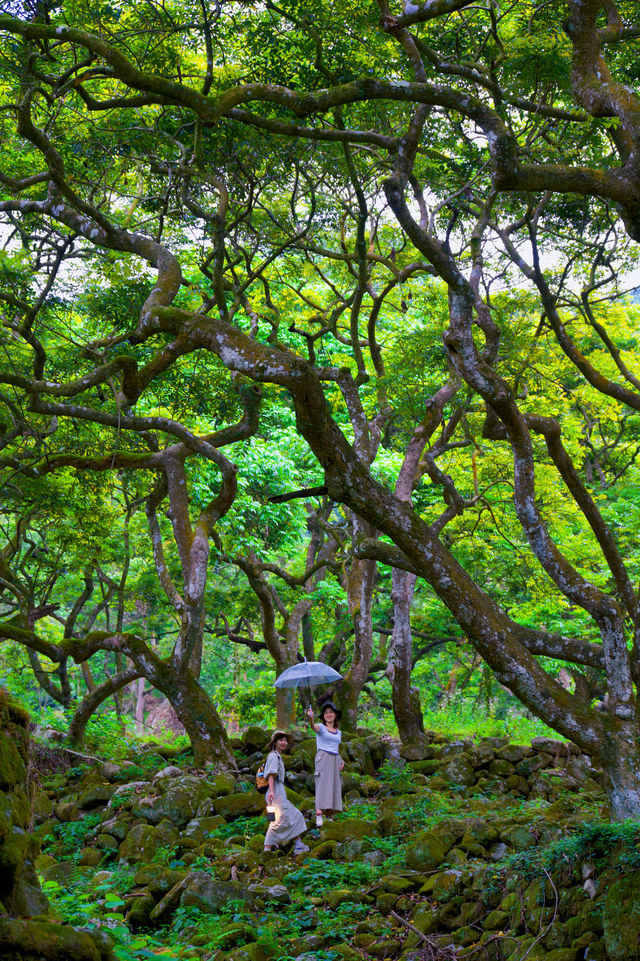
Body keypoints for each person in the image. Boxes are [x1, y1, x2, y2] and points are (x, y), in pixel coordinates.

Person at [263, 730, 309, 854]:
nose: (284, 743)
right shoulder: (273, 756)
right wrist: (272, 791)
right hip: (275, 790)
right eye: (281, 740)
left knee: (296, 815)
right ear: (275, 742)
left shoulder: (278, 756)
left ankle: (298, 844)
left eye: (285, 740)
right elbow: (271, 775)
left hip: (279, 790)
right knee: (278, 821)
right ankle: (266, 850)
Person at [306, 700, 344, 827]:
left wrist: (341, 760)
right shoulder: (321, 728)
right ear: (323, 716)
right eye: (326, 713)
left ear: (335, 715)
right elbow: (313, 727)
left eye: (331, 712)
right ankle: (319, 815)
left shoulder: (339, 732)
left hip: (335, 758)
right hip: (323, 757)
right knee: (322, 785)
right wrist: (310, 718)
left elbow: (336, 747)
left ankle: (329, 815)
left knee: (333, 786)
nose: (328, 714)